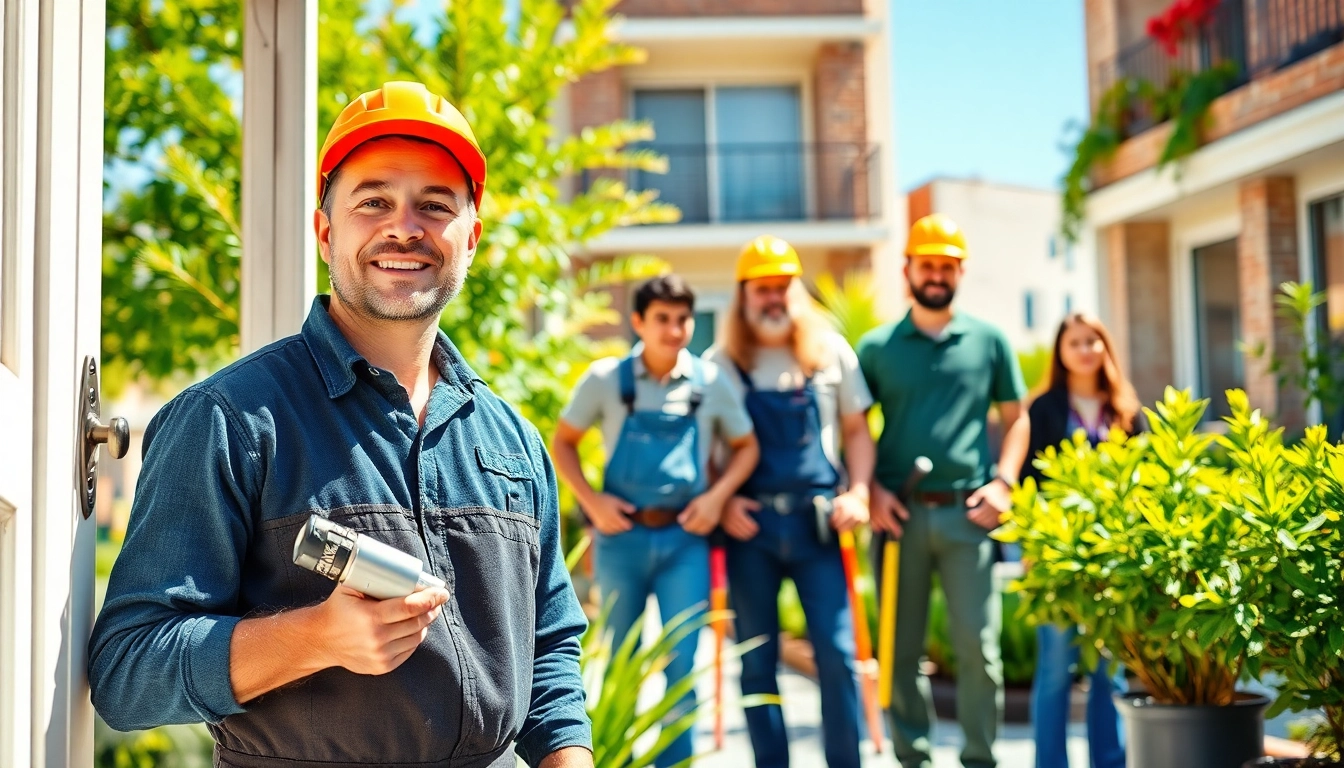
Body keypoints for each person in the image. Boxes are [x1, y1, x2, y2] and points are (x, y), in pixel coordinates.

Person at [89, 81, 593, 768]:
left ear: (470, 239)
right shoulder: (229, 421)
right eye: (374, 202)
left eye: (434, 206)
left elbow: (551, 651)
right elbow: (126, 673)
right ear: (326, 231)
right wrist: (315, 638)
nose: (404, 227)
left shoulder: (513, 442)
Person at [550, 274, 759, 767]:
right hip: (621, 542)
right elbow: (563, 443)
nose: (675, 329)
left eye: (683, 319)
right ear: (639, 322)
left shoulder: (710, 385)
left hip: (686, 541)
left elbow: (746, 448)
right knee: (618, 662)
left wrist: (717, 499)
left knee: (682, 665)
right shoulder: (606, 380)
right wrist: (592, 501)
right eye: (662, 319)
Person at [857, 213, 1031, 768]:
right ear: (907, 268)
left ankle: (981, 759)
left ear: (960, 272)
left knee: (979, 652)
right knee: (901, 651)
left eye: (946, 266)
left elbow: (1017, 417)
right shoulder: (877, 347)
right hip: (897, 517)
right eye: (927, 264)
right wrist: (868, 493)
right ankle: (914, 759)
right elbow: (854, 425)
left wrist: (1005, 482)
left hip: (968, 517)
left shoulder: (989, 341)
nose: (936, 274)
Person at [706, 235, 877, 768]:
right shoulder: (719, 364)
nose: (775, 298)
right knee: (757, 662)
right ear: (744, 295)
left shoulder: (830, 353)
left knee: (837, 655)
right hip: (749, 530)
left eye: (783, 287)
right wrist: (724, 502)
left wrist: (860, 492)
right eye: (764, 289)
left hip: (818, 526)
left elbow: (857, 430)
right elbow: (706, 447)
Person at [1023, 312, 1145, 768]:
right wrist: (1032, 553)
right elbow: (1028, 482)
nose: (1085, 350)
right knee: (1055, 669)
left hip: (1113, 559)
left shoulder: (1128, 412)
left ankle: (1108, 762)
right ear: (1060, 351)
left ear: (1105, 348)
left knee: (1107, 672)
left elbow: (1146, 484)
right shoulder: (1044, 409)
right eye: (1075, 342)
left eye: (1093, 341)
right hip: (1057, 556)